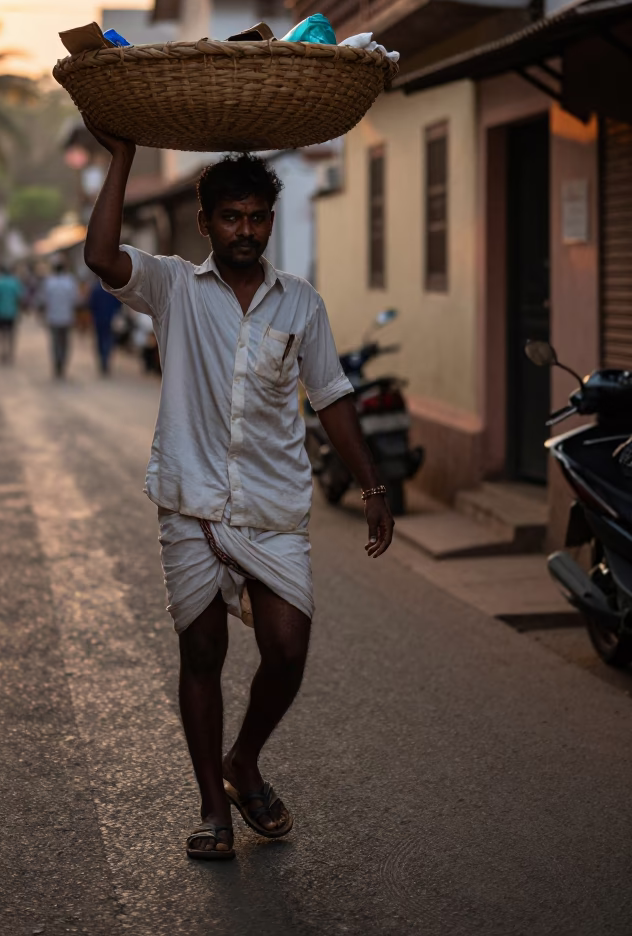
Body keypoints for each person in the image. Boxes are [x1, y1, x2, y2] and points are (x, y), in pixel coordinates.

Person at [83, 125, 394, 863]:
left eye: (257, 217)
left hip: (273, 502)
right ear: (205, 224)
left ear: (270, 222)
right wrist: (123, 155)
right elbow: (101, 257)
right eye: (231, 217)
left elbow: (333, 397)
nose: (245, 230)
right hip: (190, 498)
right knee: (203, 649)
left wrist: (372, 484)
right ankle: (210, 808)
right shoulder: (172, 288)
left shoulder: (301, 304)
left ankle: (243, 759)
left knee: (288, 647)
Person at [38, 258, 79, 379]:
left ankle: (57, 364)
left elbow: (44, 300)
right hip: (67, 317)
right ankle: (62, 364)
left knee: (55, 343)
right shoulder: (70, 281)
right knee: (65, 343)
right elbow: (75, 300)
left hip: (53, 318)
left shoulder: (49, 282)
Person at [0, 265, 25, 365]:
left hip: (0, 312)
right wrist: (20, 311)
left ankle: (2, 353)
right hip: (12, 312)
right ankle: (10, 353)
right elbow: (19, 298)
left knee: (1, 334)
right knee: (11, 334)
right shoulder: (15, 282)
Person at [87, 279, 120, 375]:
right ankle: (105, 359)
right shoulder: (112, 290)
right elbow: (119, 304)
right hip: (110, 319)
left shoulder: (95, 289)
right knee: (108, 340)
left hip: (98, 319)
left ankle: (103, 359)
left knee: (100, 340)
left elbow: (90, 304)